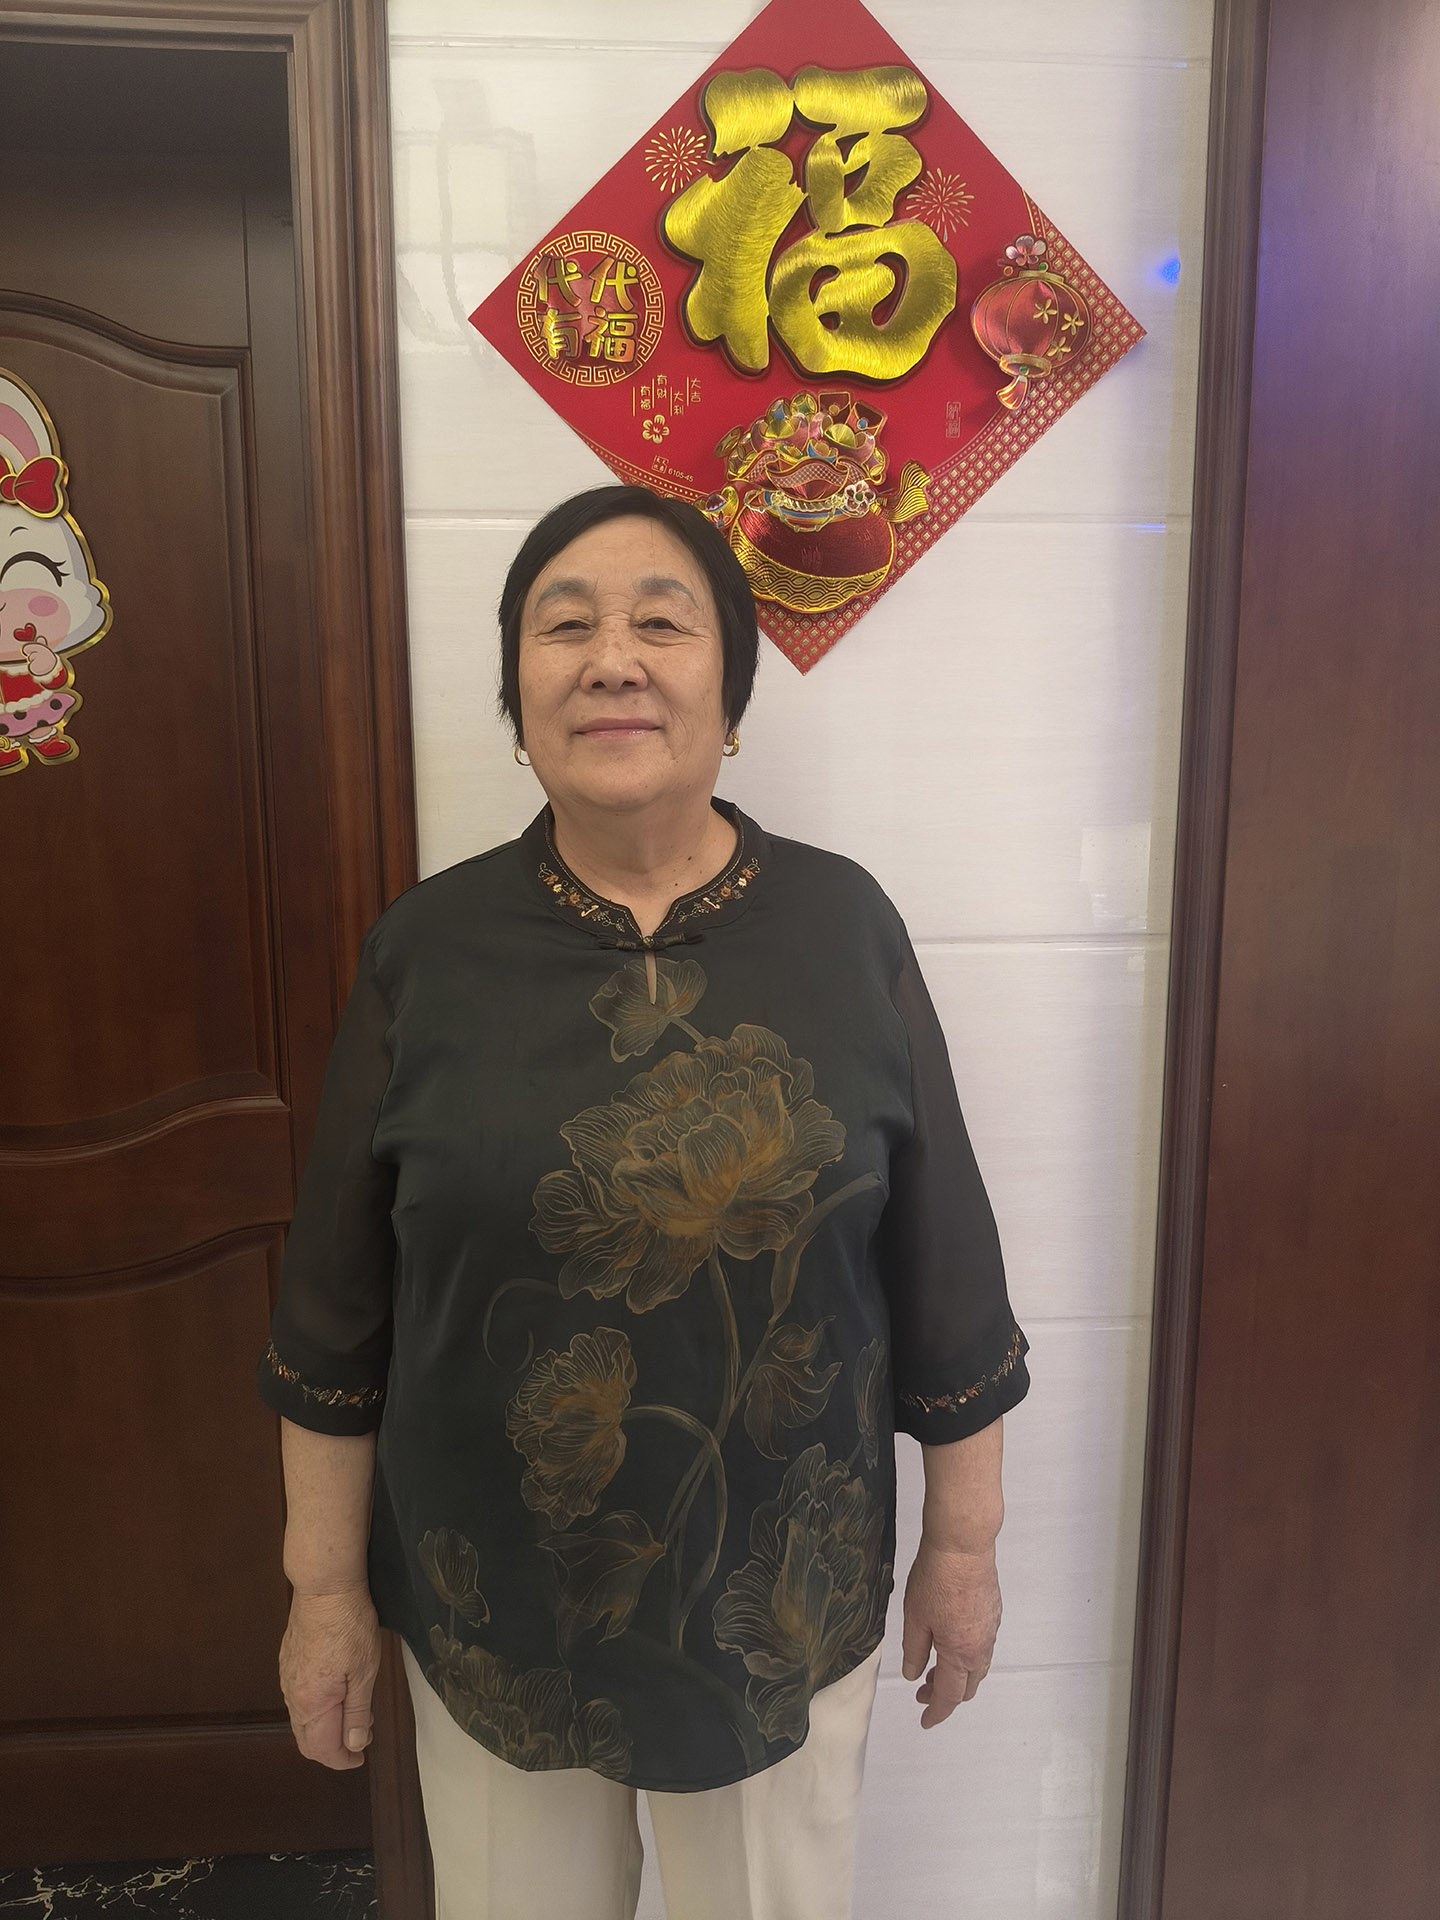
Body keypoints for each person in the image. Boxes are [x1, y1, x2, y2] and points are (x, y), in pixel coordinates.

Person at [259, 484, 1029, 1920]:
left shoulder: (844, 927)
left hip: (778, 1593)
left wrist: (965, 1546)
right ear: (519, 704)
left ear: (730, 695)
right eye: (564, 627)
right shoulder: (425, 952)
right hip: (488, 1594)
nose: (612, 658)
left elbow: (946, 1274)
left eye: (661, 624)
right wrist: (323, 1593)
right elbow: (333, 1314)